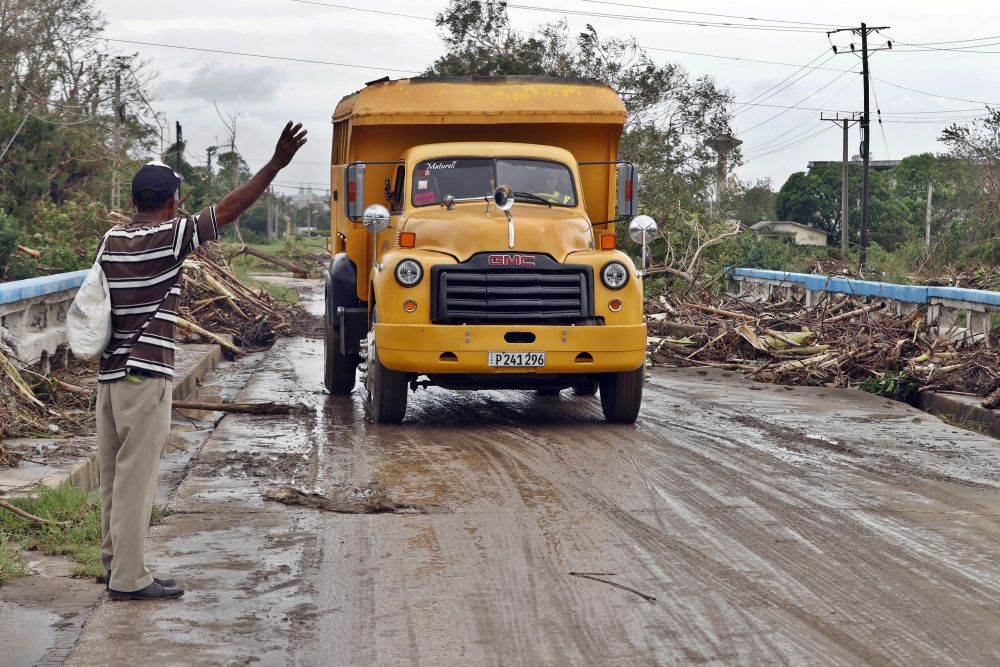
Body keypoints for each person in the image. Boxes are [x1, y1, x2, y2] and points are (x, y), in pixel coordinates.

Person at [97, 121, 307, 601]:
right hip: (144, 376)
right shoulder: (170, 238)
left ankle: (115, 565)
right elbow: (230, 208)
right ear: (172, 203)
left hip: (109, 377)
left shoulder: (112, 241)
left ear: (134, 202)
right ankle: (130, 579)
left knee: (113, 473)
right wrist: (274, 164)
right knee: (136, 478)